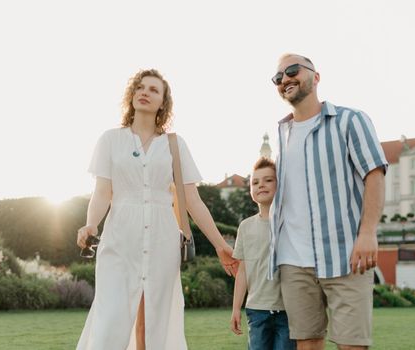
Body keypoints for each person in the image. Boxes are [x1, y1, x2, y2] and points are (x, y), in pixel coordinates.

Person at [76, 69, 238, 350]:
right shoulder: (110, 140)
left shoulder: (174, 145)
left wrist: (221, 244)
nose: (145, 92)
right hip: (119, 239)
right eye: (140, 87)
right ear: (131, 95)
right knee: (110, 320)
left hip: (162, 240)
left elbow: (193, 200)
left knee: (153, 322)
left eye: (153, 89)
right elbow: (102, 192)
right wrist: (91, 224)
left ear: (163, 102)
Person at [268, 53, 388, 350]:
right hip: (293, 262)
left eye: (293, 70)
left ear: (316, 76)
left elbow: (374, 174)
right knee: (307, 344)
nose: (285, 79)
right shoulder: (281, 134)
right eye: (278, 77)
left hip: (346, 255)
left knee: (352, 345)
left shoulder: (351, 120)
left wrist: (368, 232)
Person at [230, 157, 295, 350]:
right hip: (256, 310)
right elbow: (242, 272)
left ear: (279, 184)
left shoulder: (291, 222)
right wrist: (235, 308)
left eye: (268, 180)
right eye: (255, 182)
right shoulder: (245, 226)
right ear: (251, 190)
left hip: (287, 310)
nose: (261, 185)